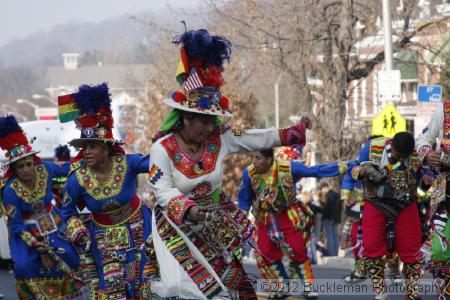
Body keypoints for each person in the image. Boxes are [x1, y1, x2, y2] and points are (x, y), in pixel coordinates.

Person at [148, 28, 311, 299]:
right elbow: (163, 190)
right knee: (185, 290)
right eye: (203, 120)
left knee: (233, 286)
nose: (209, 126)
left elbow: (255, 138)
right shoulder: (162, 148)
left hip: (214, 221)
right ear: (185, 117)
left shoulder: (219, 138)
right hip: (176, 226)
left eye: (212, 119)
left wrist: (295, 131)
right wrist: (189, 211)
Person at [57, 83, 153, 299]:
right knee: (112, 289)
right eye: (84, 147)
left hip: (139, 227)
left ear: (107, 147)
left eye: (92, 146)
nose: (87, 152)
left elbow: (159, 163)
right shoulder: (77, 178)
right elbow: (67, 212)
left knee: (144, 283)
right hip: (102, 237)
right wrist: (78, 232)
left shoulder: (129, 163)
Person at [238, 148, 351, 299]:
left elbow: (316, 171)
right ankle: (282, 285)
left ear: (268, 160)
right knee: (265, 251)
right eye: (253, 157)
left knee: (298, 249)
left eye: (257, 158)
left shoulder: (289, 168)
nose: (253, 161)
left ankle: (308, 286)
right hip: (264, 218)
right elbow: (244, 199)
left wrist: (345, 166)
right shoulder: (248, 174)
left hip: (287, 215)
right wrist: (241, 221)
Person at [0, 115, 84, 299]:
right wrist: (34, 243)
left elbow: (68, 167)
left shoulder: (45, 169)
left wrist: (89, 159)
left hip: (52, 220)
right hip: (26, 230)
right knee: (24, 266)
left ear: (33, 161)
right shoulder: (10, 190)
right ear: (14, 168)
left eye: (28, 164)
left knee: (70, 254)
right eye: (20, 166)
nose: (26, 170)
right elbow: (16, 224)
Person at [352, 132, 433, 300]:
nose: (402, 159)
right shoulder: (372, 148)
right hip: (376, 202)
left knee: (412, 248)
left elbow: (423, 180)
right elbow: (354, 169)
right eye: (398, 155)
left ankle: (412, 292)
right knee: (372, 246)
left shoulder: (416, 154)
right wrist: (360, 173)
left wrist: (424, 182)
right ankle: (380, 292)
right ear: (392, 146)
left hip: (405, 203)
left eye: (405, 157)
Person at [416, 102, 450, 300]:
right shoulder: (445, 111)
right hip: (443, 193)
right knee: (439, 251)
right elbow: (424, 138)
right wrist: (428, 154)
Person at [320, 182, 341, 257]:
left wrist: (323, 216)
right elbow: (339, 208)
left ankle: (331, 253)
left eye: (321, 189)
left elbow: (327, 209)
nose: (321, 191)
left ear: (325, 187)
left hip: (328, 218)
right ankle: (336, 252)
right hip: (336, 218)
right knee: (335, 235)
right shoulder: (337, 195)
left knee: (329, 236)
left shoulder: (328, 196)